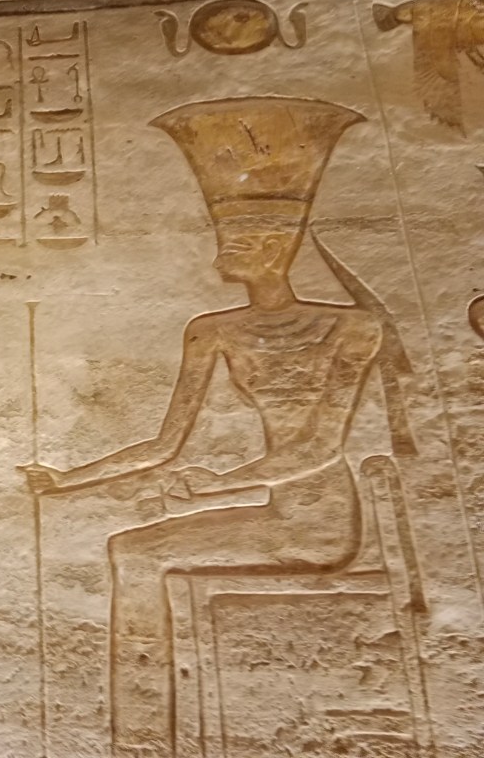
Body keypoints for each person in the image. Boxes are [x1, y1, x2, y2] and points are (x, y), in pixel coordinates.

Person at [21, 98, 406, 756]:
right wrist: (66, 481)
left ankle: (142, 741)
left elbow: (319, 447)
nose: (222, 251)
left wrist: (218, 485)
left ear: (277, 248)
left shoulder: (352, 328)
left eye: (239, 240)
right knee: (129, 548)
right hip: (271, 506)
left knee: (137, 553)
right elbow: (165, 445)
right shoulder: (213, 331)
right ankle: (144, 730)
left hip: (318, 520)